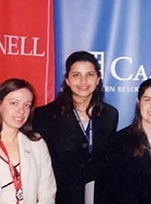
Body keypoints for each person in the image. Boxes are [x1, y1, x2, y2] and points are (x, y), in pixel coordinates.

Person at [33, 51, 119, 204]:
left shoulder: (110, 114)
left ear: (98, 79)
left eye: (90, 74)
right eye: (76, 75)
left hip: (98, 195)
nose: (83, 81)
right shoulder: (44, 115)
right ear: (67, 80)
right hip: (60, 197)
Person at [0, 78, 56, 204]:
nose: (21, 111)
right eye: (14, 103)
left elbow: (47, 193)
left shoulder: (37, 145)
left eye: (27, 105)